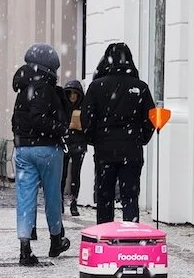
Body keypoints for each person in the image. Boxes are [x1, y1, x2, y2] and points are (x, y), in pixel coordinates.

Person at [82, 43, 155, 224]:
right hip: (131, 149)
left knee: (104, 197)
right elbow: (150, 119)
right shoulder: (140, 87)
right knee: (130, 196)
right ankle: (131, 235)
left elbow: (86, 119)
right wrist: (141, 138)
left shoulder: (96, 86)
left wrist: (94, 139)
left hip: (105, 150)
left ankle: (105, 235)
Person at [12, 43, 71, 265]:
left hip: (23, 148)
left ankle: (24, 246)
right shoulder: (45, 88)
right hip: (47, 148)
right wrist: (61, 129)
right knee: (52, 196)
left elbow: (19, 119)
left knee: (25, 197)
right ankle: (56, 238)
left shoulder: (22, 87)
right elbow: (39, 119)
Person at [62, 79, 87, 217]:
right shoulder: (63, 107)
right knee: (62, 174)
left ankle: (73, 202)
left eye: (75, 94)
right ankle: (60, 200)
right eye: (70, 94)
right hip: (65, 143)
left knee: (75, 175)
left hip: (78, 143)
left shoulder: (83, 108)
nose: (72, 97)